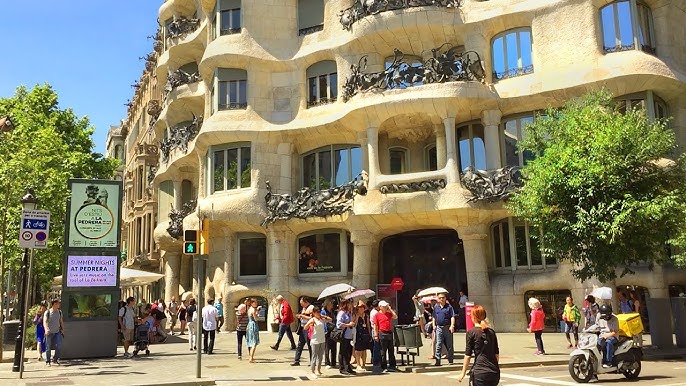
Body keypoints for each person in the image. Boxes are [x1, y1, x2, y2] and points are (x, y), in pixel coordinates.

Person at [457, 305, 500, 386]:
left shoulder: (471, 333)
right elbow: (496, 354)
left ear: (473, 317)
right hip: (494, 372)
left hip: (480, 372)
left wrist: (463, 373)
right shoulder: (491, 332)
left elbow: (468, 355)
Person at [372, 300, 398, 373]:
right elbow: (375, 325)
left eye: (386, 306)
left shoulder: (388, 314)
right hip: (382, 333)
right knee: (383, 351)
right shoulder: (376, 315)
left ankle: (392, 365)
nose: (385, 307)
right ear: (380, 307)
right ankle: (383, 366)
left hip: (389, 333)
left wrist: (390, 309)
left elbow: (395, 316)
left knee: (391, 350)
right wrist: (376, 335)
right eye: (384, 306)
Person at [432, 292, 456, 366]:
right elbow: (434, 317)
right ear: (438, 299)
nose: (441, 299)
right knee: (438, 344)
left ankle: (450, 361)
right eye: (440, 298)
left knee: (449, 345)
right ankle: (437, 361)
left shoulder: (449, 307)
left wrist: (452, 325)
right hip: (439, 328)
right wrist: (433, 325)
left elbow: (452, 316)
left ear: (445, 298)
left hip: (447, 327)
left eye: (443, 297)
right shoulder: (436, 307)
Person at [304, 306, 326, 378]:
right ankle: (312, 371)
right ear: (314, 313)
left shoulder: (321, 319)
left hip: (322, 339)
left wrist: (322, 316)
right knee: (314, 356)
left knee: (320, 356)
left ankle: (318, 370)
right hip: (315, 340)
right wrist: (310, 324)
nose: (318, 313)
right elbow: (305, 327)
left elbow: (330, 319)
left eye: (319, 312)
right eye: (317, 312)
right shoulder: (312, 319)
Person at [291, 296, 313, 366]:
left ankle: (312, 361)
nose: (301, 304)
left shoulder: (311, 308)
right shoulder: (303, 308)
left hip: (308, 328)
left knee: (310, 345)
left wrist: (302, 316)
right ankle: (296, 360)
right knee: (300, 344)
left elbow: (311, 318)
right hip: (302, 328)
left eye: (302, 303)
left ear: (305, 301)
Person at [336, 299, 356, 375]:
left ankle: (348, 366)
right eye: (349, 304)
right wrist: (348, 325)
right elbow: (339, 324)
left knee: (349, 352)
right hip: (344, 335)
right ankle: (342, 368)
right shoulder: (342, 313)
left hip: (349, 335)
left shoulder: (349, 313)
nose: (350, 305)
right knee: (343, 352)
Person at [43, 299, 64, 366]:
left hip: (57, 332)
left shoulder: (59, 312)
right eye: (58, 303)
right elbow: (45, 321)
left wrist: (63, 329)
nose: (59, 305)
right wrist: (46, 329)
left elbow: (61, 321)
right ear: (54, 304)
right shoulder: (48, 312)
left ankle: (55, 359)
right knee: (48, 347)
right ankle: (48, 361)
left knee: (59, 346)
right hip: (49, 332)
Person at [353, 300, 372, 371]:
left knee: (364, 350)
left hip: (365, 334)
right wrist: (357, 317)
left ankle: (363, 364)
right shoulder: (355, 315)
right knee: (358, 350)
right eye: (360, 307)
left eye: (362, 307)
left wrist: (370, 334)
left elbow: (368, 326)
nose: (361, 309)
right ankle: (358, 364)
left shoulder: (366, 316)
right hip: (358, 334)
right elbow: (354, 324)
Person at [321, 300, 337, 369]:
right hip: (327, 331)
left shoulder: (332, 312)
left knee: (334, 347)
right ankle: (327, 362)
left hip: (333, 331)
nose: (332, 305)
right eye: (331, 304)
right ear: (327, 305)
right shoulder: (323, 312)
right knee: (327, 347)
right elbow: (323, 321)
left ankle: (333, 362)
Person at [246, 298, 261, 363]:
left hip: (249, 324)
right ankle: (251, 358)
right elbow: (256, 319)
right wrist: (258, 314)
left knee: (251, 341)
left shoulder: (249, 309)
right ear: (252, 303)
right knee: (254, 342)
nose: (256, 304)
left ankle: (250, 356)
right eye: (255, 302)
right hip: (253, 325)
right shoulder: (253, 310)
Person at [369, 299, 381, 370]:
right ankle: (376, 362)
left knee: (377, 347)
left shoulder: (374, 312)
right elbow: (375, 324)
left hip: (375, 330)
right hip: (375, 330)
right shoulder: (375, 313)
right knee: (376, 347)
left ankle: (376, 361)